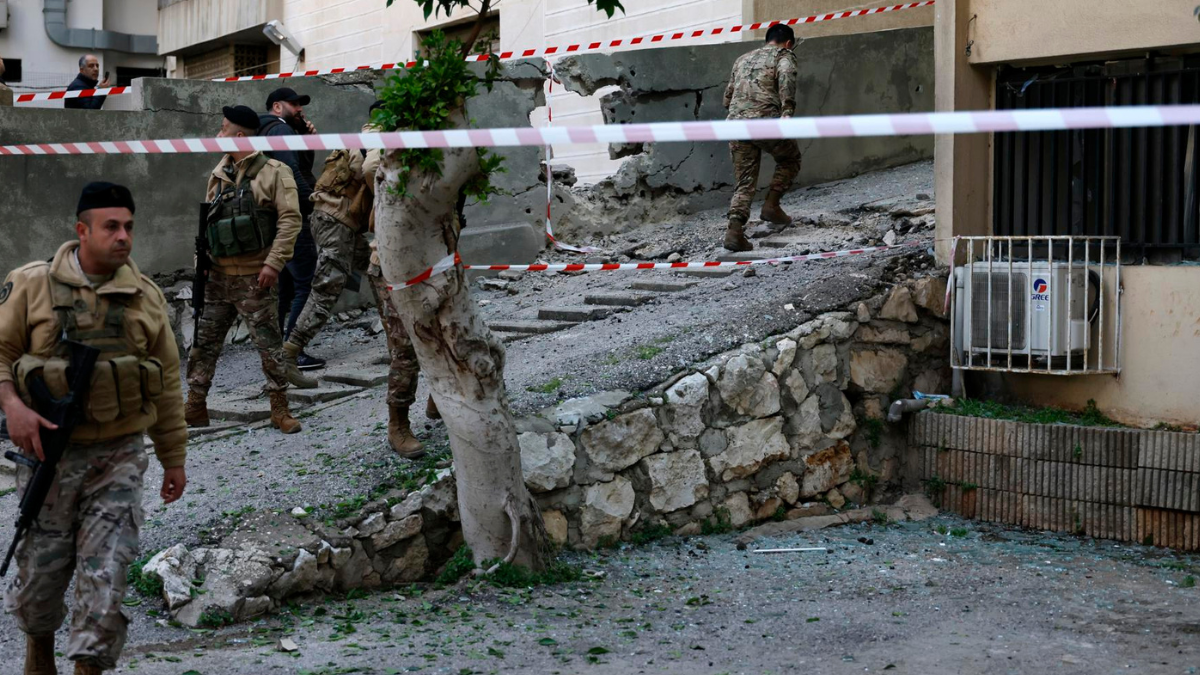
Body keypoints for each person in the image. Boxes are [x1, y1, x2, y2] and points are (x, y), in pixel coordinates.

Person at [0, 182, 188, 674]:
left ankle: (88, 666)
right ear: (82, 230)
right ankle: (38, 649)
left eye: (128, 226)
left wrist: (174, 458)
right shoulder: (31, 284)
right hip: (49, 458)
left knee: (106, 580)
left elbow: (167, 384)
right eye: (111, 226)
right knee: (40, 581)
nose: (123, 236)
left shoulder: (145, 298)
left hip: (118, 457)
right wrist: (12, 407)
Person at [184, 105, 303, 434]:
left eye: (223, 129)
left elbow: (290, 220)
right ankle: (195, 405)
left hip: (255, 277)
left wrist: (274, 263)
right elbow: (207, 224)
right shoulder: (219, 173)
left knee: (269, 346)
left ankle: (279, 408)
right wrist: (201, 267)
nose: (217, 135)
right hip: (217, 278)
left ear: (239, 136)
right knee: (204, 343)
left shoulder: (275, 171)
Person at [362, 101, 439, 458]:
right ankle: (398, 424)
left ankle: (441, 400)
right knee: (405, 350)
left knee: (443, 335)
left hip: (433, 261)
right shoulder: (381, 151)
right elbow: (369, 167)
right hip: (390, 265)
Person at [281, 104, 374, 389]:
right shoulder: (378, 142)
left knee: (379, 269)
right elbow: (373, 175)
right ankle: (289, 355)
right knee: (325, 289)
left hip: (331, 219)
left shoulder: (363, 138)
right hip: (338, 223)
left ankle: (400, 338)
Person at [258, 87, 325, 372]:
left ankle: (278, 350)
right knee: (305, 285)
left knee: (285, 289)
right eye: (294, 104)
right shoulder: (279, 131)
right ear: (277, 107)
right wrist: (314, 201)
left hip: (275, 219)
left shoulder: (272, 132)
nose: (300, 109)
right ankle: (292, 352)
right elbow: (293, 175)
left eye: (301, 104)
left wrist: (307, 141)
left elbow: (298, 165)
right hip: (291, 218)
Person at [722, 23, 803, 252]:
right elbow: (787, 76)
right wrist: (787, 111)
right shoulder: (784, 55)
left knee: (745, 182)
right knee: (790, 159)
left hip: (735, 124)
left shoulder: (742, 59)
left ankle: (735, 231)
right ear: (788, 43)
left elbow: (727, 98)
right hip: (764, 121)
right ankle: (771, 206)